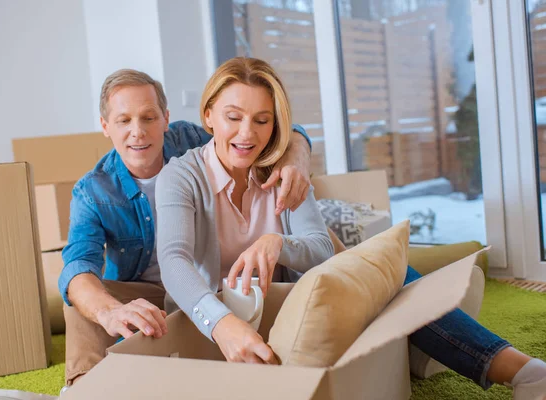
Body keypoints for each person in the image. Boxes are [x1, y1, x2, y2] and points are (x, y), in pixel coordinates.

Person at [156, 57, 546, 399]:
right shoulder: (180, 177)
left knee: (388, 275)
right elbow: (174, 261)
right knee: (393, 286)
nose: (247, 134)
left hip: (294, 309)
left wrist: (278, 242)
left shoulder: (283, 172)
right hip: (212, 322)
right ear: (208, 115)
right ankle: (422, 342)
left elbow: (320, 250)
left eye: (262, 120)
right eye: (233, 117)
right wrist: (222, 326)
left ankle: (525, 371)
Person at [0, 68, 313, 400]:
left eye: (149, 117)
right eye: (124, 121)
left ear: (166, 118)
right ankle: (82, 390)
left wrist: (297, 156)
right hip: (147, 292)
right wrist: (110, 311)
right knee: (83, 300)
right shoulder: (93, 191)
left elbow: (267, 128)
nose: (138, 132)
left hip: (206, 280)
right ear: (105, 126)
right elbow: (78, 266)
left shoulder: (194, 141)